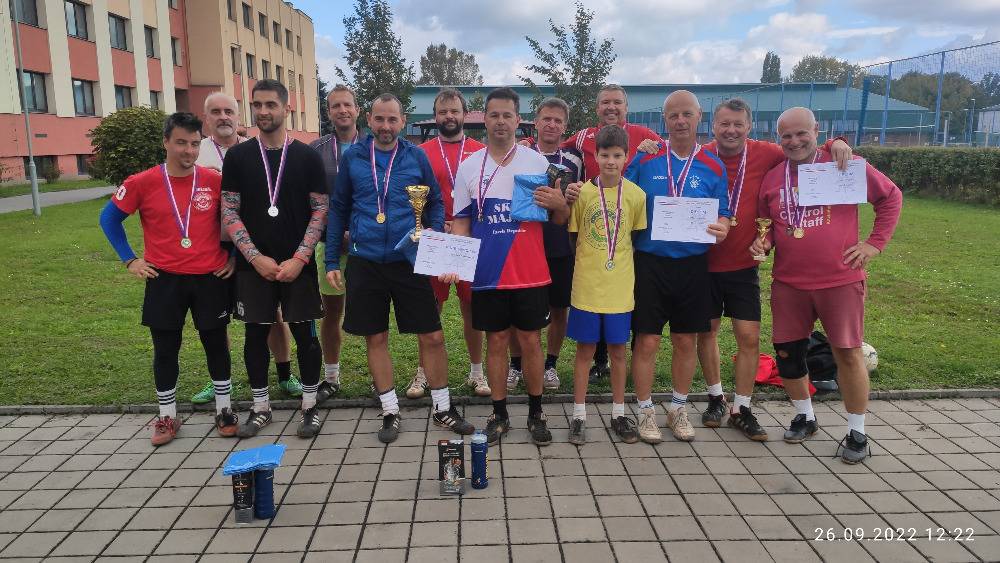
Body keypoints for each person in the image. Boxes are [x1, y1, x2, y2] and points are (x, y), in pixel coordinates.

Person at [637, 98, 853, 440]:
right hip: (702, 264)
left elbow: (801, 148)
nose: (731, 130)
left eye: (738, 124)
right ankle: (714, 398)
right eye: (725, 124)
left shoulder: (767, 153)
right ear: (713, 125)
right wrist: (647, 146)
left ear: (749, 126)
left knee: (748, 336)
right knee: (703, 334)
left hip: (742, 264)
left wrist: (834, 143)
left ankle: (742, 407)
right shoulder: (696, 155)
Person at [752, 107, 901, 464]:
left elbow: (890, 197)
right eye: (786, 136)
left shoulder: (843, 164)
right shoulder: (773, 178)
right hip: (789, 283)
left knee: (847, 353)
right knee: (787, 354)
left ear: (817, 130)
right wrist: (764, 243)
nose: (794, 141)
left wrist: (874, 244)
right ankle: (805, 416)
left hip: (839, 280)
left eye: (801, 133)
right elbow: (768, 225)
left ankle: (857, 432)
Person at [326, 93, 475, 444]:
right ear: (369, 119)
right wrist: (332, 259)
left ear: (402, 121)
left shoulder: (415, 156)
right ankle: (390, 410)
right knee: (376, 337)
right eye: (380, 119)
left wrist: (433, 240)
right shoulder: (354, 158)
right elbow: (339, 208)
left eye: (392, 120)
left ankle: (442, 407)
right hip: (365, 260)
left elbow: (434, 202)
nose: (386, 126)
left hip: (409, 260)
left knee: (433, 336)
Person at [99, 112, 237, 445]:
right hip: (165, 279)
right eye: (181, 143)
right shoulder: (141, 182)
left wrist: (233, 256)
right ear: (165, 142)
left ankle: (224, 410)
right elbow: (108, 219)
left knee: (216, 345)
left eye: (194, 144)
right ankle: (166, 416)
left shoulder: (214, 180)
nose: (188, 151)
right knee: (165, 350)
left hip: (209, 277)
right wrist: (130, 259)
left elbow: (236, 219)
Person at [449, 87, 570, 446]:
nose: (500, 121)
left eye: (507, 115)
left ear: (518, 120)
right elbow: (461, 221)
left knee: (531, 341)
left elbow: (560, 218)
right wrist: (455, 259)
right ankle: (499, 414)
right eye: (494, 115)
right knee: (497, 342)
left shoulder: (538, 164)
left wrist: (559, 203)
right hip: (488, 274)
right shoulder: (469, 167)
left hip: (530, 272)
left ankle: (536, 413)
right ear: (484, 120)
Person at [221, 79, 327, 439]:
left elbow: (320, 209)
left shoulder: (307, 156)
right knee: (255, 336)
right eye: (257, 105)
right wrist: (254, 258)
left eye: (271, 104)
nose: (263, 111)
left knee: (305, 336)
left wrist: (300, 257)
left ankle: (310, 407)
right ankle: (260, 407)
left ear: (286, 108)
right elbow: (229, 211)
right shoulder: (238, 156)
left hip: (298, 266)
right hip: (255, 267)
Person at [625, 90, 730, 443]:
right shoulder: (648, 158)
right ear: (665, 120)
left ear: (699, 117)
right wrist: (635, 158)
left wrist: (724, 226)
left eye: (687, 114)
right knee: (647, 340)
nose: (681, 121)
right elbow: (621, 195)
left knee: (686, 339)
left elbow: (724, 211)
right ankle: (644, 411)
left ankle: (678, 408)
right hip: (649, 262)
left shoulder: (713, 164)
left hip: (693, 264)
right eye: (673, 115)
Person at [190, 92, 301, 405]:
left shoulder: (258, 150)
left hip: (256, 249)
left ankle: (284, 373)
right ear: (206, 118)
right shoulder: (196, 153)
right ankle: (219, 380)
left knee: (272, 314)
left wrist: (245, 254)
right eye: (215, 112)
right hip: (213, 250)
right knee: (216, 319)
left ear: (239, 116)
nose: (223, 117)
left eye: (229, 111)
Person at [562, 85, 662, 384]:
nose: (611, 107)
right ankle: (599, 360)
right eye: (605, 102)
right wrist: (528, 141)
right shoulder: (584, 136)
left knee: (622, 295)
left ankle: (624, 356)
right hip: (593, 219)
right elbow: (556, 144)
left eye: (617, 102)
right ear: (597, 108)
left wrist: (653, 147)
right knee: (596, 295)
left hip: (628, 217)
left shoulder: (644, 134)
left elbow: (669, 150)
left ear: (626, 108)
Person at [565, 125, 646, 445]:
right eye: (604, 155)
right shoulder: (583, 194)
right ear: (595, 157)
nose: (611, 161)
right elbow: (574, 237)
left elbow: (634, 238)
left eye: (617, 155)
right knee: (585, 350)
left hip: (619, 288)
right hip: (587, 285)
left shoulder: (636, 195)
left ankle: (618, 413)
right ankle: (578, 415)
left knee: (618, 351)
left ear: (626, 157)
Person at [414, 88, 489, 399]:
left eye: (454, 111)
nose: (448, 116)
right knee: (431, 309)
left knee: (472, 308)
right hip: (435, 238)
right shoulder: (421, 152)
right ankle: (422, 373)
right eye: (443, 112)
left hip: (470, 240)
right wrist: (433, 225)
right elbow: (413, 196)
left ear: (464, 114)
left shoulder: (481, 151)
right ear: (435, 116)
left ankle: (477, 372)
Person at [507, 97, 584, 394]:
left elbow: (582, 196)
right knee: (518, 308)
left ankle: (550, 364)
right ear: (536, 122)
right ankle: (516, 364)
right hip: (523, 241)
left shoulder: (575, 159)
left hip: (559, 242)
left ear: (565, 126)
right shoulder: (520, 153)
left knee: (559, 307)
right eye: (547, 119)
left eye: (558, 121)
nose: (552, 124)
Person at [309, 84, 361, 404]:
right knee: (331, 312)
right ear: (328, 112)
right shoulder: (315, 149)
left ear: (357, 109)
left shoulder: (372, 146)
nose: (342, 110)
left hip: (366, 244)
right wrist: (333, 233)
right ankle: (331, 376)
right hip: (328, 243)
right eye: (335, 106)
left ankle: (378, 378)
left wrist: (356, 232)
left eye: (347, 105)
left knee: (371, 312)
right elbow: (309, 198)